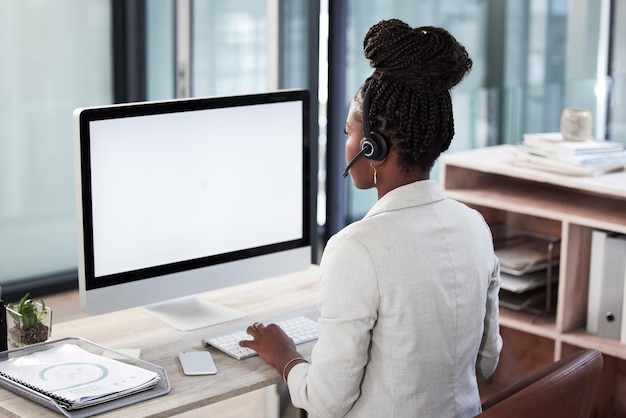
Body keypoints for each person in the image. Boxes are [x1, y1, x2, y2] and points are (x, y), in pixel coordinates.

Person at [240, 18, 502, 417]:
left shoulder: (356, 248)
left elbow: (327, 402)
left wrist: (285, 356)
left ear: (371, 146)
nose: (345, 145)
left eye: (348, 133)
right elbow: (486, 363)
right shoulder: (474, 226)